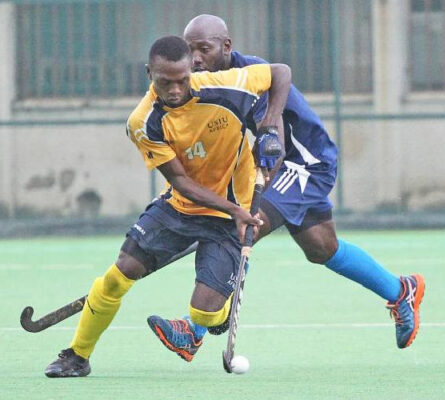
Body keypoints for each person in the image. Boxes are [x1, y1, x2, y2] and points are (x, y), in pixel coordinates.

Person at [148, 15, 425, 362]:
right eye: (191, 51)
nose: (196, 59)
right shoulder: (205, 84)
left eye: (204, 49)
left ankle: (195, 330)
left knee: (243, 227)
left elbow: (272, 138)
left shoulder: (250, 75)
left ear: (226, 46)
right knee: (321, 247)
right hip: (286, 165)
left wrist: (251, 193)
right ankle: (400, 290)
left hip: (304, 162)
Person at [44, 35, 291, 377]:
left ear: (192, 70)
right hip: (182, 207)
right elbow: (181, 182)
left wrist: (269, 126)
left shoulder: (228, 84)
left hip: (231, 212)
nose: (175, 90)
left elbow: (281, 73)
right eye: (164, 82)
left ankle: (217, 311)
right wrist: (236, 212)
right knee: (120, 272)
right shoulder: (143, 121)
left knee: (204, 315)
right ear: (149, 73)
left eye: (182, 80)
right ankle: (77, 356)